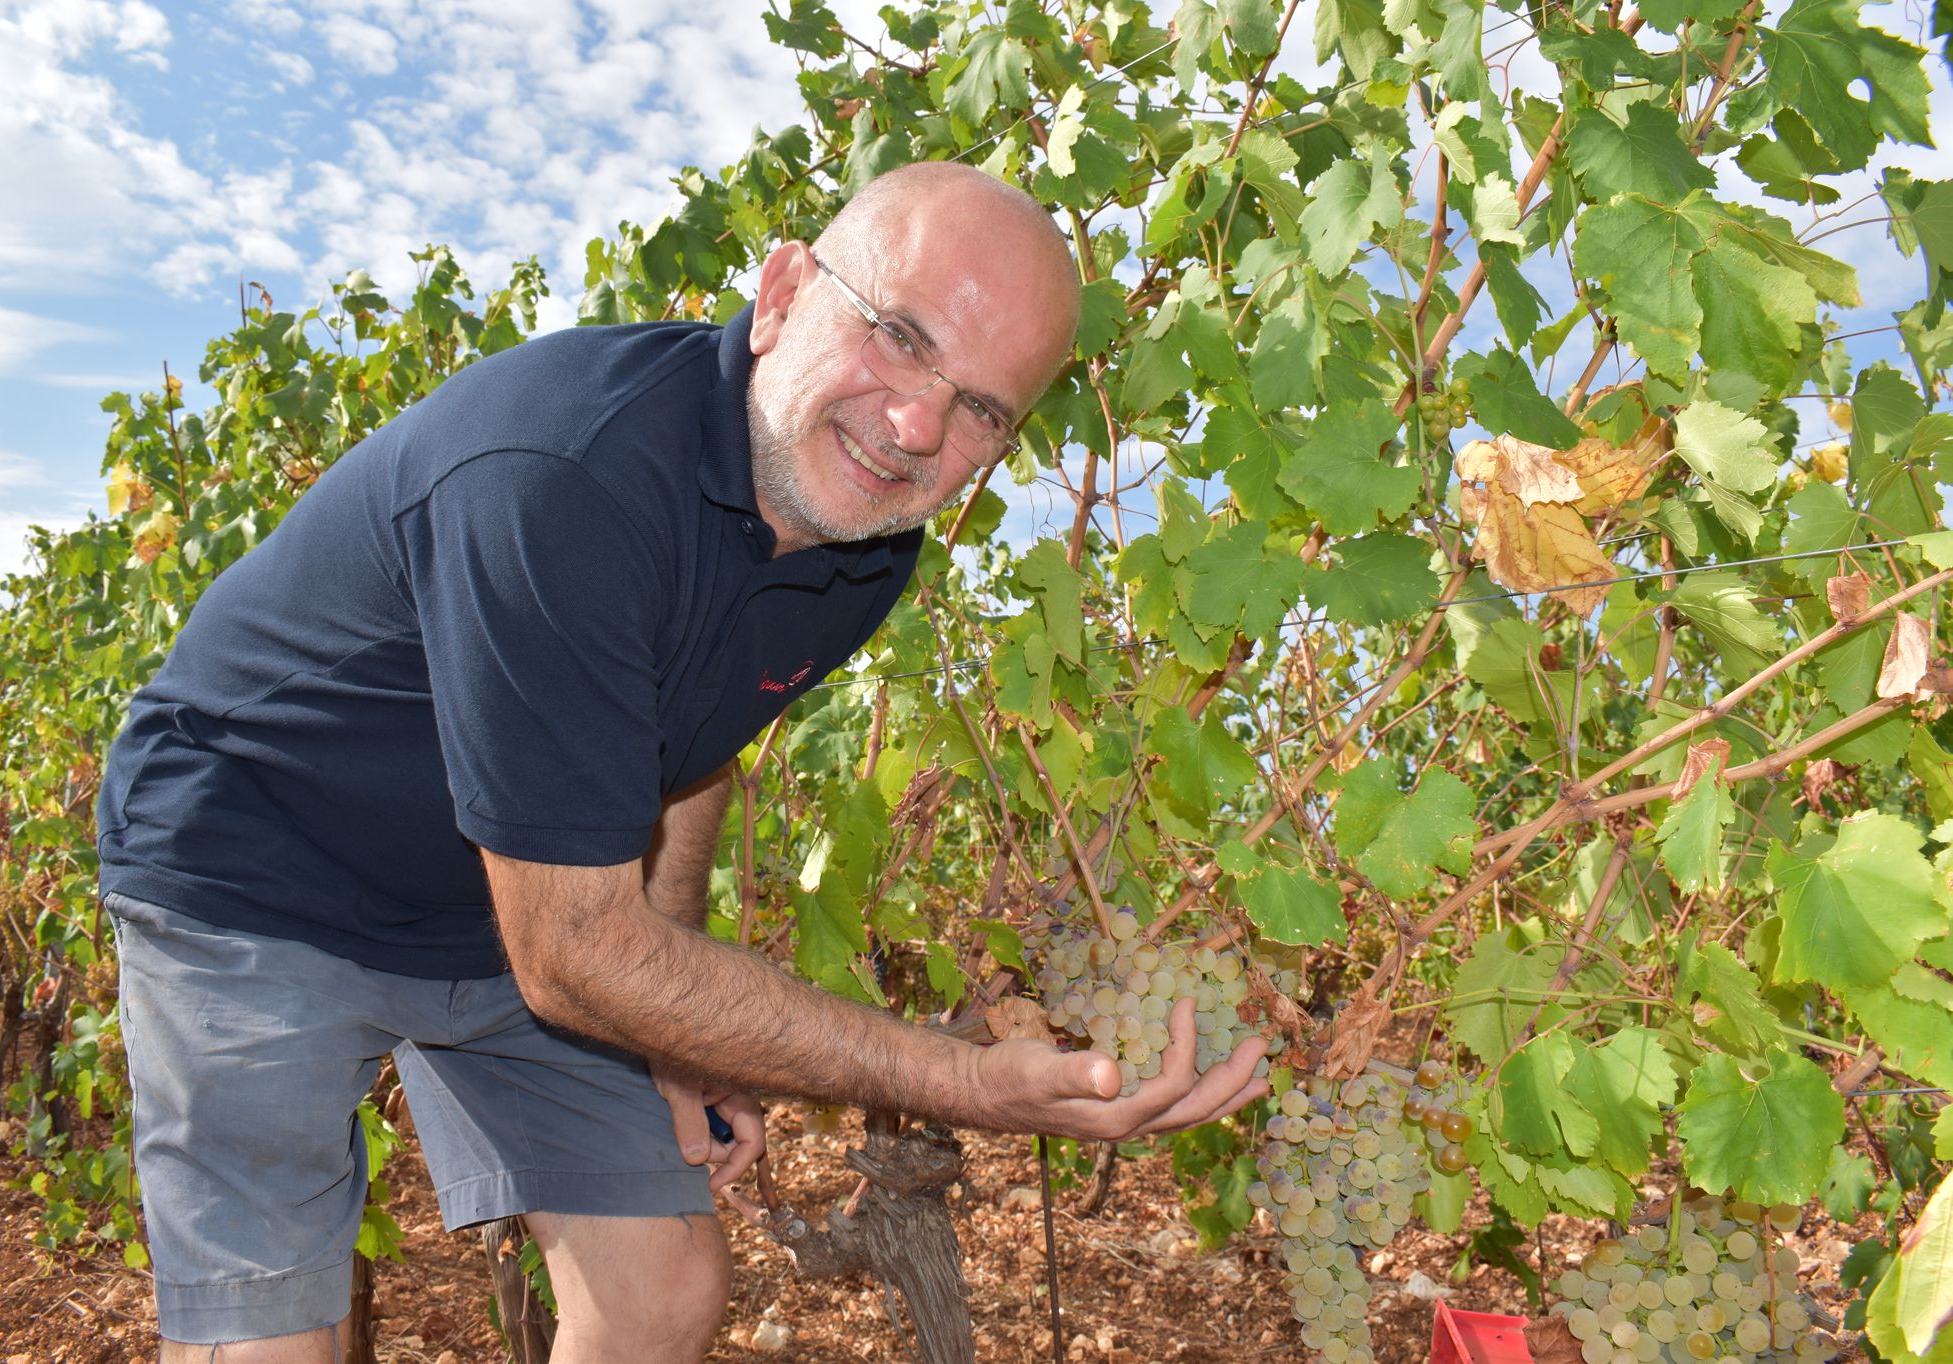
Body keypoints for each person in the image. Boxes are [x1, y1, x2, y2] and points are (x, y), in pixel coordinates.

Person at [95, 161, 1270, 1364]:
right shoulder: (566, 477)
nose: (918, 425)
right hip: (255, 860)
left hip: (501, 898)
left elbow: (690, 751)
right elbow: (575, 954)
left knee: (662, 1288)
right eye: (898, 337)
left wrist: (677, 1037)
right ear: (780, 292)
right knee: (274, 1339)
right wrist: (966, 1080)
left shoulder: (860, 536)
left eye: (982, 408)